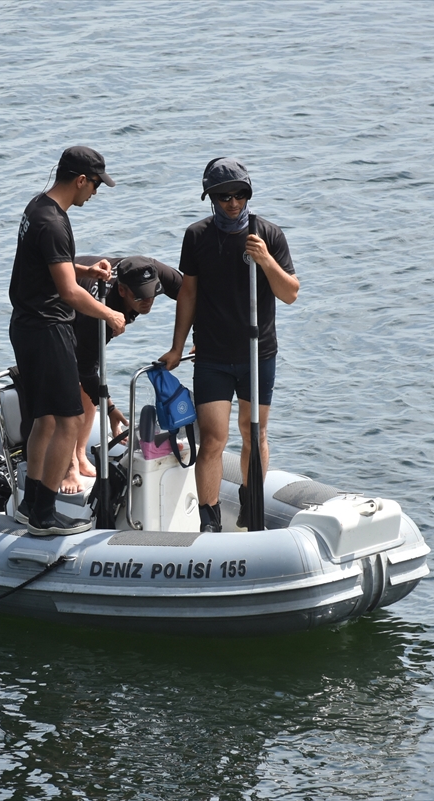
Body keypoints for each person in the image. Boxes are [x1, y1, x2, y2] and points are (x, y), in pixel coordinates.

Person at [159, 158, 299, 532]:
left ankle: (253, 509)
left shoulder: (268, 234)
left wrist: (265, 259)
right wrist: (177, 347)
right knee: (214, 439)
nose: (233, 203)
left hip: (258, 353)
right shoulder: (198, 236)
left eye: (240, 195)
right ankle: (210, 521)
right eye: (223, 197)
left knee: (254, 433)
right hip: (212, 356)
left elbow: (290, 294)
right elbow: (188, 293)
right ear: (210, 199)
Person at [8, 146, 126, 536]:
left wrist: (85, 269)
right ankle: (44, 514)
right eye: (95, 185)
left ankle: (30, 504)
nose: (94, 193)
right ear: (80, 180)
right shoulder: (55, 223)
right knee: (71, 420)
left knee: (45, 418)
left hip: (26, 325)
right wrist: (108, 313)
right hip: (47, 329)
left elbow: (49, 263)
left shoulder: (37, 207)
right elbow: (69, 293)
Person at [62, 255, 183, 494]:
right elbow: (86, 370)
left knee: (86, 387)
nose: (148, 301)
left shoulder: (153, 269)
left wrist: (198, 337)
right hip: (60, 305)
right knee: (69, 388)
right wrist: (109, 409)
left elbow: (192, 293)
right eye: (140, 296)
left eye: (152, 294)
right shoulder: (99, 317)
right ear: (122, 290)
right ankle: (69, 466)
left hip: (98, 303)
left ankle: (80, 453)